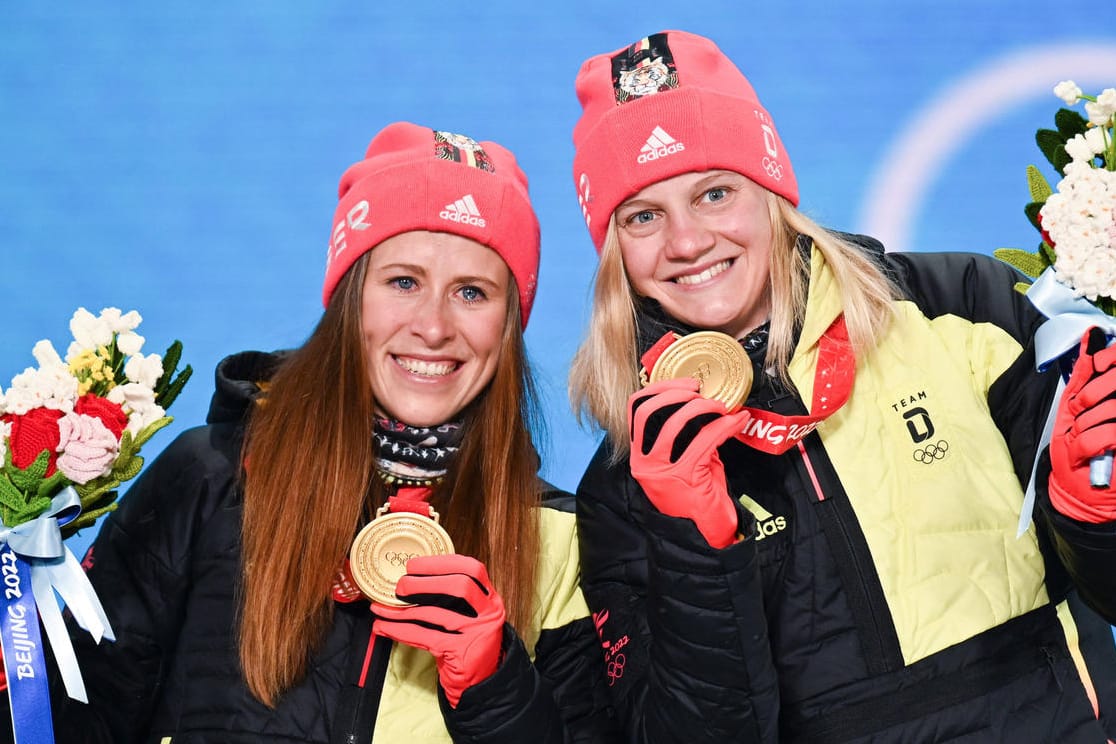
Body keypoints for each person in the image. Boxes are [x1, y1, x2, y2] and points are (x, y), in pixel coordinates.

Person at [567, 29, 1116, 743]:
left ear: (770, 191)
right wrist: (695, 547)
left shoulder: (967, 307)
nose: (687, 241)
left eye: (714, 192)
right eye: (644, 216)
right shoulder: (628, 483)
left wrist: (1090, 516)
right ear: (615, 252)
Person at [4, 121, 620, 742]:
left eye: (472, 292)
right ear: (350, 297)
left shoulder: (558, 539)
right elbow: (71, 721)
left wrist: (497, 692)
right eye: (403, 282)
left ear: (509, 326)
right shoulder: (210, 478)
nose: (433, 327)